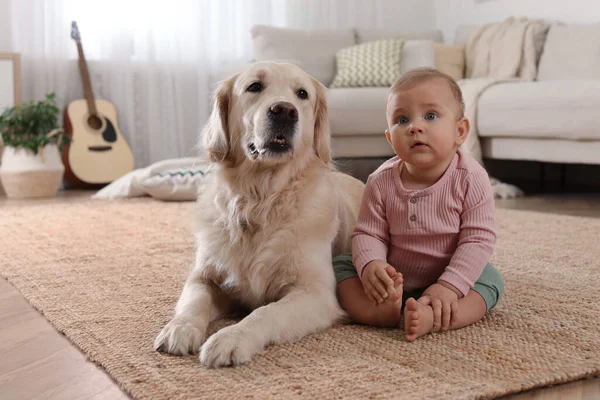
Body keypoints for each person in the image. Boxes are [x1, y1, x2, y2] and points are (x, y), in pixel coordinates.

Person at [333, 67, 504, 341]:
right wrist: (372, 265)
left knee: (490, 281)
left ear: (459, 131)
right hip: (394, 275)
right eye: (402, 119)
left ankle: (434, 316)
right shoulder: (380, 181)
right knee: (341, 266)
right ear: (390, 138)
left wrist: (449, 285)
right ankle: (377, 310)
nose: (415, 126)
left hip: (449, 272)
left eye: (431, 116)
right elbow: (367, 233)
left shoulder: (471, 178)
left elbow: (478, 239)